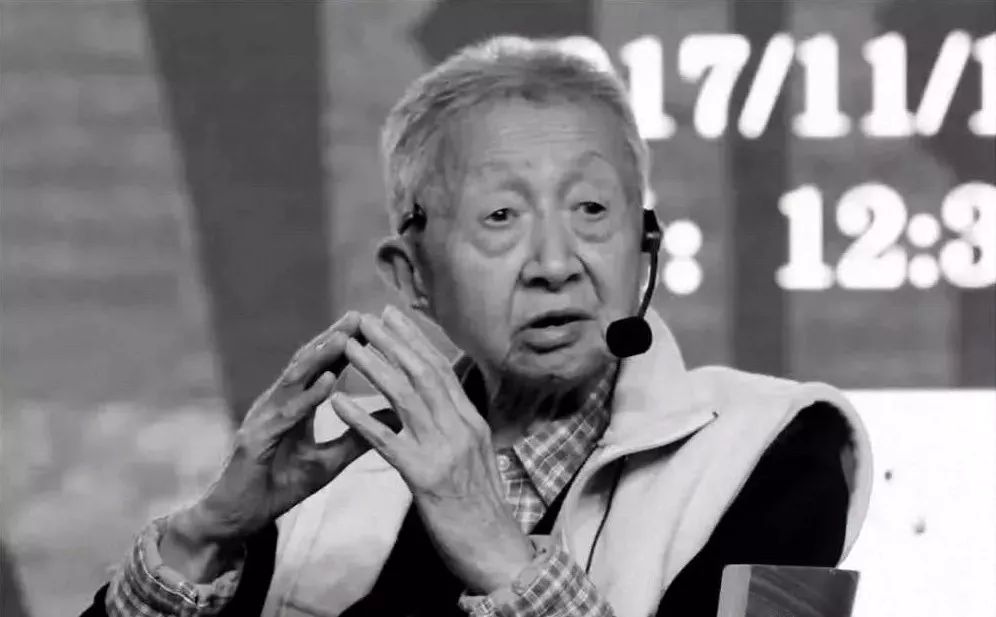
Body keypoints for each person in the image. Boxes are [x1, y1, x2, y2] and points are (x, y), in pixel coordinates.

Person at [82, 35, 872, 617]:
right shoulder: (334, 465)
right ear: (412, 277)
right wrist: (208, 535)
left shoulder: (777, 445)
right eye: (501, 216)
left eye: (592, 209)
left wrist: (494, 546)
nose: (555, 263)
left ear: (645, 246)